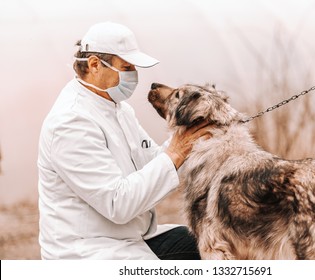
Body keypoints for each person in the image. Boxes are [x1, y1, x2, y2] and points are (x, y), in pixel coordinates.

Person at [37, 22, 211, 260]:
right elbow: (117, 204)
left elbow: (155, 161)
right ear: (95, 65)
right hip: (89, 251)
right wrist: (176, 152)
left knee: (202, 241)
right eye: (126, 67)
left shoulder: (118, 109)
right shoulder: (71, 122)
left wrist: (196, 137)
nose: (134, 75)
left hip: (128, 237)